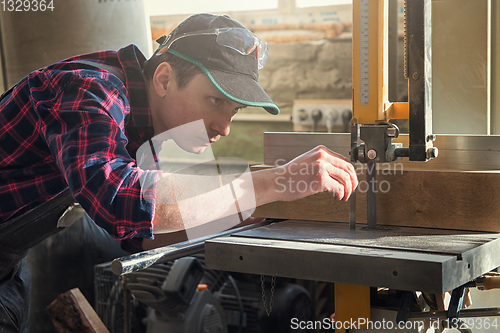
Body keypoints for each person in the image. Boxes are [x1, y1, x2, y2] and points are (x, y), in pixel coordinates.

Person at [0, 13, 358, 332]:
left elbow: (143, 234)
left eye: (233, 110)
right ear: (165, 78)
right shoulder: (91, 91)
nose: (224, 126)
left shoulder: (143, 133)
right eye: (215, 101)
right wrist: (273, 181)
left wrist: (263, 216)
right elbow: (120, 200)